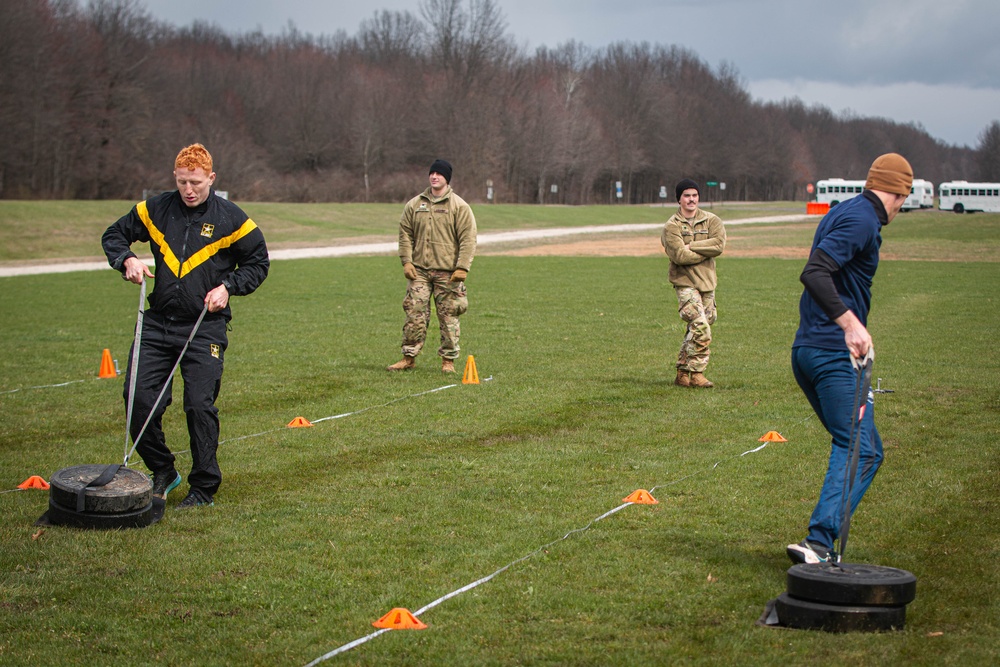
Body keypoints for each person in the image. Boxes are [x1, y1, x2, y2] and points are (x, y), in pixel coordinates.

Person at [102, 144, 269, 509]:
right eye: (181, 182)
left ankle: (204, 487)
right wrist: (125, 259)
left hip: (204, 327)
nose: (188, 190)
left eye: (195, 182)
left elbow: (259, 263)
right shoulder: (154, 209)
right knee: (138, 401)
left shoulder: (234, 220)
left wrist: (229, 287)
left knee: (198, 405)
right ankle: (162, 469)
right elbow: (113, 235)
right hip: (157, 324)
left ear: (212, 178)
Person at [787, 153, 913, 563]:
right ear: (898, 192)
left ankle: (821, 541)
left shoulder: (846, 211)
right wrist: (850, 325)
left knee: (867, 450)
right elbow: (814, 271)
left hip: (807, 351)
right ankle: (819, 543)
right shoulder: (862, 220)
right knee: (856, 446)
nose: (901, 207)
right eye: (904, 199)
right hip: (832, 356)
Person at [387, 159, 477, 373]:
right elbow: (405, 234)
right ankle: (408, 357)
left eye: (439, 173)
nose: (434, 176)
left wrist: (462, 267)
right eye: (432, 173)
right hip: (419, 272)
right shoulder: (415, 204)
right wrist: (406, 261)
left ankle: (448, 361)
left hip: (448, 273)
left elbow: (468, 239)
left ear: (447, 178)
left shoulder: (459, 206)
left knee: (448, 317)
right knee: (414, 313)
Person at [660, 179, 726, 388]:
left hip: (707, 282)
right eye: (687, 195)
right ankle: (697, 374)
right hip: (685, 282)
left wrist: (692, 245)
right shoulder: (672, 226)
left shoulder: (712, 220)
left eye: (694, 195)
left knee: (697, 327)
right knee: (700, 327)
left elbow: (719, 245)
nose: (691, 199)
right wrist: (703, 251)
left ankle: (682, 370)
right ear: (679, 199)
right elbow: (680, 256)